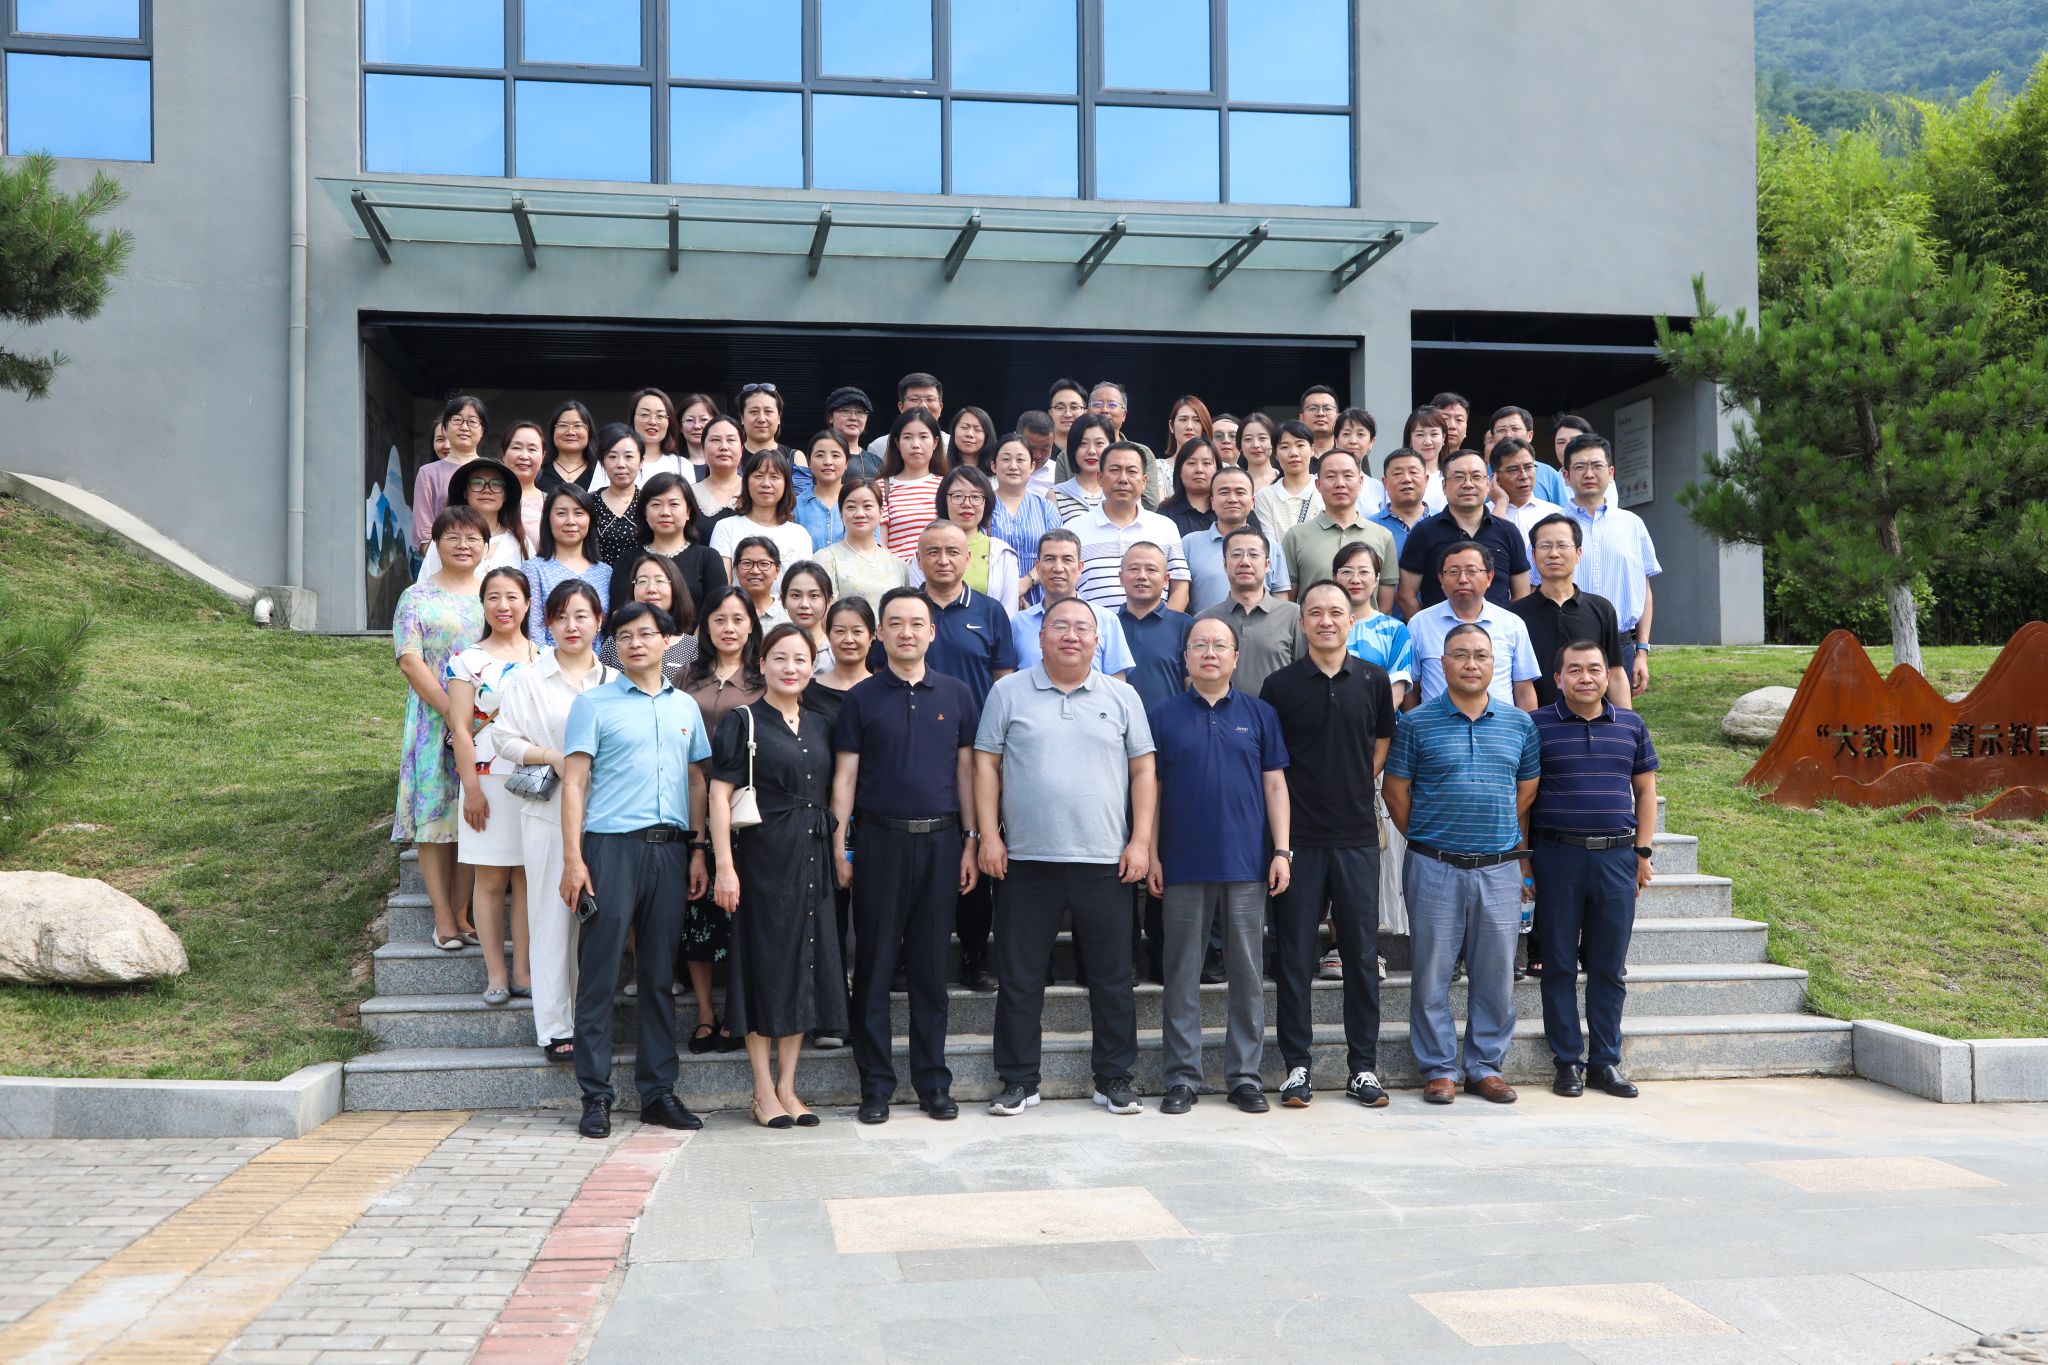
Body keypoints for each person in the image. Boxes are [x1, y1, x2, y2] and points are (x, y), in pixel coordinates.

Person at [976, 596, 1156, 1118]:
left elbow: (1144, 771)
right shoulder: (1008, 692)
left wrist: (1140, 841)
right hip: (1025, 860)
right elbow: (985, 765)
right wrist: (988, 835)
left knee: (1112, 978)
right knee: (1019, 978)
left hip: (1105, 860)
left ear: (1098, 640)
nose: (1070, 636)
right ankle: (1018, 1081)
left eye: (1082, 628)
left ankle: (1114, 1079)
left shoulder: (1122, 697)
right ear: (1041, 637)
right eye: (1060, 626)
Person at [558, 600, 712, 1138]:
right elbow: (574, 783)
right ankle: (595, 1096)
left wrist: (697, 849)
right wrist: (573, 859)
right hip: (610, 850)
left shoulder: (685, 707)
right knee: (599, 974)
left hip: (670, 851)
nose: (634, 643)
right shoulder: (593, 705)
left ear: (668, 640)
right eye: (623, 636)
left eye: (645, 634)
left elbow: (697, 780)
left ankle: (658, 1093)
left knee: (658, 977)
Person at [831, 588, 981, 1124]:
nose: (906, 632)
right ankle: (875, 1086)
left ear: (932, 632)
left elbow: (966, 773)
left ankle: (933, 1083)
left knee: (929, 970)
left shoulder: (957, 694)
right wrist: (840, 846)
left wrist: (971, 840)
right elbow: (845, 778)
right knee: (873, 967)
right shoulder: (861, 698)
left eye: (917, 623)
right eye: (895, 623)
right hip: (879, 842)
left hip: (942, 843)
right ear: (880, 633)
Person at [1383, 623, 1542, 1107]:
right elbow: (1395, 791)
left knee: (1495, 974)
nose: (1471, 664)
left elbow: (1526, 790)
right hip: (1434, 865)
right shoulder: (1415, 724)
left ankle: (1485, 1067)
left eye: (1480, 655)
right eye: (1460, 655)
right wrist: (1430, 835)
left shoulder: (1519, 724)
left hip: (1499, 867)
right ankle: (1438, 1069)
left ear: (1494, 664)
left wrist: (1494, 832)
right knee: (1431, 972)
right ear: (1443, 663)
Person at [1259, 580, 1399, 1108]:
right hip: (1298, 839)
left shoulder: (1373, 679)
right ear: (1302, 623)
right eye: (1315, 612)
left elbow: (1382, 739)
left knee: (1361, 956)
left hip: (1357, 836)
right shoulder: (1280, 686)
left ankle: (1363, 1068)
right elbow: (1272, 763)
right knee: (1294, 956)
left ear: (1350, 621)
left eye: (1336, 612)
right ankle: (1297, 1066)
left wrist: (1358, 780)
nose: (1325, 621)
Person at [1147, 615, 1290, 1116]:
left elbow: (1276, 785)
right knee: (1181, 973)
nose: (1210, 653)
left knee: (1247, 975)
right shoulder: (1162, 716)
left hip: (1247, 864)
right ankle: (1182, 1077)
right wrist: (1151, 852)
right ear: (1185, 657)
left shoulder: (1260, 714)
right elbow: (1152, 791)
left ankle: (1244, 1077)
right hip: (1182, 864)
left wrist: (1281, 851)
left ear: (1235, 657)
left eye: (1219, 645)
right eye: (1200, 645)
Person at [709, 624, 848, 1130]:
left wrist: (838, 852)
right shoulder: (742, 720)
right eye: (780, 658)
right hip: (762, 860)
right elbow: (718, 796)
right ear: (761, 663)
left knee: (805, 963)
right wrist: (724, 867)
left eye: (801, 659)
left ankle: (789, 1086)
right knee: (764, 966)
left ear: (812, 666)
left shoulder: (820, 723)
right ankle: (762, 1089)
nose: (791, 668)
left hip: (812, 856)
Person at [1531, 639, 1659, 1101]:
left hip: (1616, 859)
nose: (1585, 677)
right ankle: (1567, 1061)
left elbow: (1646, 792)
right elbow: (1524, 797)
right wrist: (1525, 860)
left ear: (1608, 675)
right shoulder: (1536, 725)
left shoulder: (1631, 725)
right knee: (1559, 965)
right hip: (1556, 856)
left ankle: (1606, 1061)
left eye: (1594, 669)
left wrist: (1643, 852)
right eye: (1574, 669)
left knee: (1609, 967)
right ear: (1558, 678)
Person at [492, 580, 614, 1064]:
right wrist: (552, 757)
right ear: (547, 623)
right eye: (561, 617)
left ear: (599, 621)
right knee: (552, 920)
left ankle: (593, 1020)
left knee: (601, 924)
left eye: (582, 616)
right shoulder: (529, 679)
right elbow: (503, 738)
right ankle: (557, 1027)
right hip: (547, 813)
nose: (571, 626)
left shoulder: (614, 680)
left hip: (607, 815)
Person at [393, 508, 489, 949]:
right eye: (453, 537)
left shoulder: (491, 594)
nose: (463, 545)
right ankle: (443, 917)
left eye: (473, 538)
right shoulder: (416, 596)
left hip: (486, 721)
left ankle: (463, 912)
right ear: (436, 544)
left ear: (485, 545)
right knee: (436, 818)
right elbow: (409, 659)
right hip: (434, 720)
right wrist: (452, 710)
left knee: (474, 815)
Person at [446, 567, 539, 1005]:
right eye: (494, 597)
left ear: (527, 603)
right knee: (490, 879)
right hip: (486, 780)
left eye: (512, 597)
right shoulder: (466, 660)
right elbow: (461, 729)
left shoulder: (545, 656)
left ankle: (524, 971)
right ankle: (496, 975)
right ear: (482, 605)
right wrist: (471, 788)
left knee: (527, 878)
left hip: (536, 781)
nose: (504, 606)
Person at [680, 587, 764, 1051]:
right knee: (699, 912)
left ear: (751, 625)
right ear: (705, 626)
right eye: (719, 619)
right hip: (694, 804)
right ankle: (705, 1013)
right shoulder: (685, 677)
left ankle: (739, 1011)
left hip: (749, 812)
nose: (729, 628)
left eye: (738, 619)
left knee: (744, 915)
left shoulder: (763, 677)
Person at [1564, 434, 1662, 698]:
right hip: (1567, 644)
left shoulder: (1632, 524)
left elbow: (1644, 590)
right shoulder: (1554, 525)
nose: (1589, 473)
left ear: (1611, 473)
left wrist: (1642, 651)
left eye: (1597, 465)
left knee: (1619, 720)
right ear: (1566, 476)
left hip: (1621, 644)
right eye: (1580, 466)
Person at [1510, 514, 1632, 710]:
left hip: (1592, 721)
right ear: (1533, 554)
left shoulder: (1601, 609)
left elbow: (1615, 674)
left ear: (1578, 553)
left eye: (1562, 545)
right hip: (1537, 721)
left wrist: (1626, 723)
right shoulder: (1514, 615)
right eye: (1545, 546)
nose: (1553, 553)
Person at [1396, 449, 1532, 617]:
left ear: (1488, 483)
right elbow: (1406, 596)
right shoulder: (1424, 532)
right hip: (1440, 631)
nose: (1468, 484)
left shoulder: (1508, 532)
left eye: (1476, 476)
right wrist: (1427, 629)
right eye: (1459, 477)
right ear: (1444, 486)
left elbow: (1522, 594)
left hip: (1497, 632)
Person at [1409, 542, 1541, 708]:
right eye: (1453, 572)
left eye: (1472, 571)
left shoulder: (1512, 624)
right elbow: (1412, 689)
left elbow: (1524, 690)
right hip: (1436, 724)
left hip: (1500, 724)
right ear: (1441, 579)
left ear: (1489, 577)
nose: (1462, 579)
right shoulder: (1420, 624)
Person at [1073, 443, 1190, 612]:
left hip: (1154, 627)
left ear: (1144, 481)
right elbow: (1066, 588)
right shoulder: (1074, 530)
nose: (1123, 479)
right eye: (1114, 470)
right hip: (1092, 627)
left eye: (1132, 471)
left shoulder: (1165, 527)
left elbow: (1180, 588)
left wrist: (1164, 624)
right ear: (1100, 478)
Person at [1279, 449, 1397, 612]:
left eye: (1348, 475)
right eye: (1330, 476)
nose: (1340, 483)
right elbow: (1288, 603)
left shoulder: (1382, 536)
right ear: (1318, 485)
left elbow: (1386, 605)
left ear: (1360, 482)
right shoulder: (1296, 537)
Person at [1008, 529, 1133, 679]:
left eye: (1067, 559)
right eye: (1050, 559)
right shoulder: (1018, 623)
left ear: (1080, 568)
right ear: (1038, 568)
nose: (1058, 568)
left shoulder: (1106, 620)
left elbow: (1117, 684)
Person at [1195, 526, 1304, 697]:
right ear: (1225, 564)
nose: (1245, 562)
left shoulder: (1293, 615)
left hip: (1279, 713)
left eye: (1253, 555)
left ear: (1267, 564)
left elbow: (1305, 673)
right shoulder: (1205, 620)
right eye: (1236, 555)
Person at [908, 465, 1022, 606]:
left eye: (975, 497)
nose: (967, 504)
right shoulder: (924, 552)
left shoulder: (1003, 553)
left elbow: (1008, 612)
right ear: (944, 501)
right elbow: (918, 607)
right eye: (957, 496)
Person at [1184, 465, 1289, 612]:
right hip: (1206, 626)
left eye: (1240, 492)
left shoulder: (1271, 547)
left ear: (1252, 501)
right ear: (1212, 502)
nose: (1232, 499)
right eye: (1224, 492)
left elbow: (1281, 602)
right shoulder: (1190, 543)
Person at [627, 472, 727, 622]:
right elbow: (620, 612)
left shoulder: (708, 558)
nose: (665, 512)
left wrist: (689, 638)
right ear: (645, 513)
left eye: (674, 504)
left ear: (688, 512)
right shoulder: (628, 559)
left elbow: (719, 612)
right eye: (656, 505)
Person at [522, 485, 613, 646]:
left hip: (597, 660)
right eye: (561, 513)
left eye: (578, 513)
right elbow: (534, 631)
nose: (570, 521)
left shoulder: (606, 572)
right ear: (548, 519)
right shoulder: (533, 569)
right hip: (551, 659)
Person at [710, 449, 812, 587]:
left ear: (786, 484)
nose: (766, 484)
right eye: (758, 476)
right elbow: (721, 588)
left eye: (774, 477)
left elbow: (803, 588)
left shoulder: (799, 535)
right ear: (746, 482)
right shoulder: (725, 528)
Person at [419, 456, 528, 578]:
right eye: (477, 483)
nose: (487, 490)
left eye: (496, 484)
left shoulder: (521, 543)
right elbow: (425, 585)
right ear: (465, 492)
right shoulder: (446, 538)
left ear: (505, 495)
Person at [1117, 543, 1193, 713]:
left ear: (1166, 579)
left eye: (1151, 569)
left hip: (1170, 725)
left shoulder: (1185, 626)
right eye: (1134, 569)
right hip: (1118, 726)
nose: (1142, 576)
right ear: (1121, 578)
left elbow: (1193, 687)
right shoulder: (1108, 626)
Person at [598, 552, 698, 680]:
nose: (651, 589)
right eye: (642, 581)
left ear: (675, 587)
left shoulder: (693, 647)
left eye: (659, 581)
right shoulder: (615, 642)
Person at [813, 476, 908, 610]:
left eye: (867, 506)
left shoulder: (898, 565)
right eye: (851, 507)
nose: (860, 514)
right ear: (841, 513)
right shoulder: (826, 559)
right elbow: (823, 613)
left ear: (881, 512)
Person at [989, 433, 1062, 599]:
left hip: (1041, 599)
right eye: (1006, 459)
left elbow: (1058, 553)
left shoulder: (1046, 509)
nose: (1013, 466)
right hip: (994, 598)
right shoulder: (982, 507)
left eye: (1020, 460)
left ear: (1032, 466)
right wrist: (1010, 590)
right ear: (993, 466)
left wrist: (1026, 582)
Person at [413, 396, 485, 551]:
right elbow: (424, 533)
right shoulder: (428, 473)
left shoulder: (492, 470)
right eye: (457, 420)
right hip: (441, 558)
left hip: (490, 557)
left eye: (472, 421)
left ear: (482, 430)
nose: (464, 427)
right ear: (445, 428)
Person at [880, 408, 949, 562]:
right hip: (898, 574)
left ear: (935, 442)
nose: (916, 444)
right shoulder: (881, 488)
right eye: (908, 437)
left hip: (939, 571)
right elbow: (879, 545)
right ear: (897, 443)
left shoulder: (948, 486)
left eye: (923, 437)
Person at [1086, 380, 1165, 507]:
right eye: (1097, 404)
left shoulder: (1143, 452)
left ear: (1124, 415)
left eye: (1112, 405)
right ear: (1087, 412)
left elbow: (1150, 504)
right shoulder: (1069, 454)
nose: (1104, 410)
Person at [804, 595, 874, 732]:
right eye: (840, 631)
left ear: (871, 637)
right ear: (828, 636)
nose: (848, 639)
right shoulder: (807, 692)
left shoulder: (885, 691)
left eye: (857, 632)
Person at [1491, 437, 1565, 558]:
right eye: (1513, 470)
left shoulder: (1555, 513)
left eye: (1529, 467)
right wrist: (1501, 503)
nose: (1524, 476)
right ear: (1496, 477)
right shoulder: (1484, 513)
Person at [1486, 406, 1573, 507]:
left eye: (1515, 428)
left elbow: (1564, 513)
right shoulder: (1481, 474)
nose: (1508, 435)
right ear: (1493, 438)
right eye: (1501, 430)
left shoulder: (1549, 475)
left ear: (1529, 435)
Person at [588, 423, 646, 568]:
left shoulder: (649, 503)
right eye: (612, 456)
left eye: (629, 456)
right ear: (603, 463)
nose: (621, 464)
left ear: (641, 461)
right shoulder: (587, 503)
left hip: (641, 579)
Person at [1254, 419, 1323, 537]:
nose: (1293, 453)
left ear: (1312, 449)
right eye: (1285, 447)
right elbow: (1270, 544)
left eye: (1300, 445)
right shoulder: (1265, 496)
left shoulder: (1325, 489)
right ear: (1276, 454)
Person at [864, 372, 949, 464]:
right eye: (914, 399)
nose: (923, 406)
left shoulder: (953, 444)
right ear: (901, 407)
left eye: (930, 399)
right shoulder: (879, 447)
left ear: (940, 407)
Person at [1372, 448, 1430, 570]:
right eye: (1397, 474)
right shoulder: (1370, 527)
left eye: (1413, 472)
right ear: (1385, 483)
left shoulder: (1444, 522)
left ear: (1426, 480)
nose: (1406, 479)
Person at [1051, 412, 1113, 524]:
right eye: (1083, 443)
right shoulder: (1056, 494)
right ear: (1073, 447)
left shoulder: (1122, 490)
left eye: (1099, 443)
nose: (1091, 451)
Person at [692, 414, 747, 536]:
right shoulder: (688, 494)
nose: (724, 447)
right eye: (715, 440)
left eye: (731, 440)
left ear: (741, 449)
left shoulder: (755, 492)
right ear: (703, 449)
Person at [794, 431, 849, 549]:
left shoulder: (861, 502)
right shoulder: (795, 506)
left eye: (835, 455)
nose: (828, 462)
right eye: (820, 455)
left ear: (847, 463)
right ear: (809, 462)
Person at [1158, 434, 1219, 538]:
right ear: (1179, 470)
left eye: (1206, 463)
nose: (1199, 470)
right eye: (1191, 463)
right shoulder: (1165, 513)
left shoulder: (1228, 508)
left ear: (1218, 470)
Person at [499, 420, 547, 551]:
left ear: (543, 456)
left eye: (532, 449)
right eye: (516, 448)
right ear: (503, 453)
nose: (524, 456)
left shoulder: (552, 502)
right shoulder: (488, 498)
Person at [1333, 408, 1387, 515]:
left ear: (1371, 442)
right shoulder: (1319, 482)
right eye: (1346, 434)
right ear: (1336, 440)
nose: (1353, 441)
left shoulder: (1379, 488)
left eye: (1361, 434)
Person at [779, 560, 834, 664]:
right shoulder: (774, 647)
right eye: (795, 595)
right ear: (783, 600)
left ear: (829, 600)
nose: (804, 604)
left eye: (814, 596)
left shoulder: (837, 650)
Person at [737, 382, 802, 467]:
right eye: (754, 411)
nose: (761, 419)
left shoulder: (795, 458)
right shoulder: (729, 457)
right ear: (742, 418)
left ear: (778, 418)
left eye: (768, 411)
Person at [732, 536, 792, 629]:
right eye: (747, 563)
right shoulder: (723, 612)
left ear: (777, 571)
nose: (755, 571)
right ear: (736, 570)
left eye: (764, 564)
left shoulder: (790, 616)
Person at [540, 401, 598, 494]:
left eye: (578, 426)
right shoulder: (539, 469)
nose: (570, 432)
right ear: (553, 431)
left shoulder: (601, 472)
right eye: (563, 425)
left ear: (589, 431)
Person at [1401, 407, 1450, 512]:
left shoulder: (1452, 476)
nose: (1427, 441)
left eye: (1434, 434)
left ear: (1443, 437)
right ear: (1409, 439)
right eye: (1420, 434)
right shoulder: (1400, 478)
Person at [629, 387, 683, 482]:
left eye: (660, 416)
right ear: (633, 418)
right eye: (645, 414)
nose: (652, 422)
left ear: (669, 422)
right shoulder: (614, 461)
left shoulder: (682, 465)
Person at [823, 386, 876, 478]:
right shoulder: (820, 458)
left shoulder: (876, 461)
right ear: (830, 417)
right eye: (845, 411)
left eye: (860, 412)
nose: (853, 418)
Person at [675, 392, 721, 481]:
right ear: (680, 427)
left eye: (703, 419)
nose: (697, 426)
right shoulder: (672, 464)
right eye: (689, 420)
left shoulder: (726, 460)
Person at [1015, 409, 1059, 500]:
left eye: (1045, 449)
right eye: (1031, 448)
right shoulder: (998, 471)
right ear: (1015, 438)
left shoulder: (1059, 475)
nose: (1037, 455)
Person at [1045, 377, 1087, 462]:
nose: (1068, 414)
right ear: (1050, 414)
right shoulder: (1039, 454)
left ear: (1085, 413)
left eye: (1074, 407)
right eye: (1060, 408)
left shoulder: (1094, 453)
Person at [1299, 385, 1341, 456]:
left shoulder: (1349, 455)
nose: (1320, 413)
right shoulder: (1293, 456)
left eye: (1327, 408)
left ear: (1338, 417)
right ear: (1301, 418)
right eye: (1313, 408)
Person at [948, 405, 994, 470]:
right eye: (964, 427)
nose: (970, 434)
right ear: (954, 430)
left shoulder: (996, 472)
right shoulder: (940, 469)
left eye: (978, 429)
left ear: (987, 436)